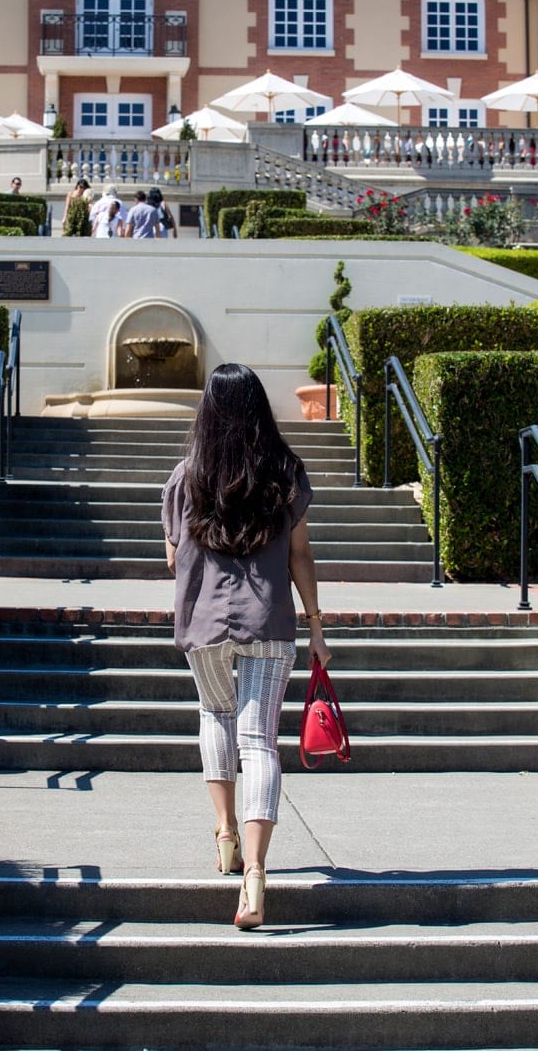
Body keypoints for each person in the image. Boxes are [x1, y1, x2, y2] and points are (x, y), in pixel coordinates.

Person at [162, 364, 330, 930]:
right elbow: (300, 557)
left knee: (215, 714)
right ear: (259, 407)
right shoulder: (284, 472)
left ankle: (226, 835)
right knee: (259, 743)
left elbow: (172, 559)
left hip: (204, 622)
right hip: (269, 621)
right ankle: (256, 877)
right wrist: (316, 626)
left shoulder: (186, 477)